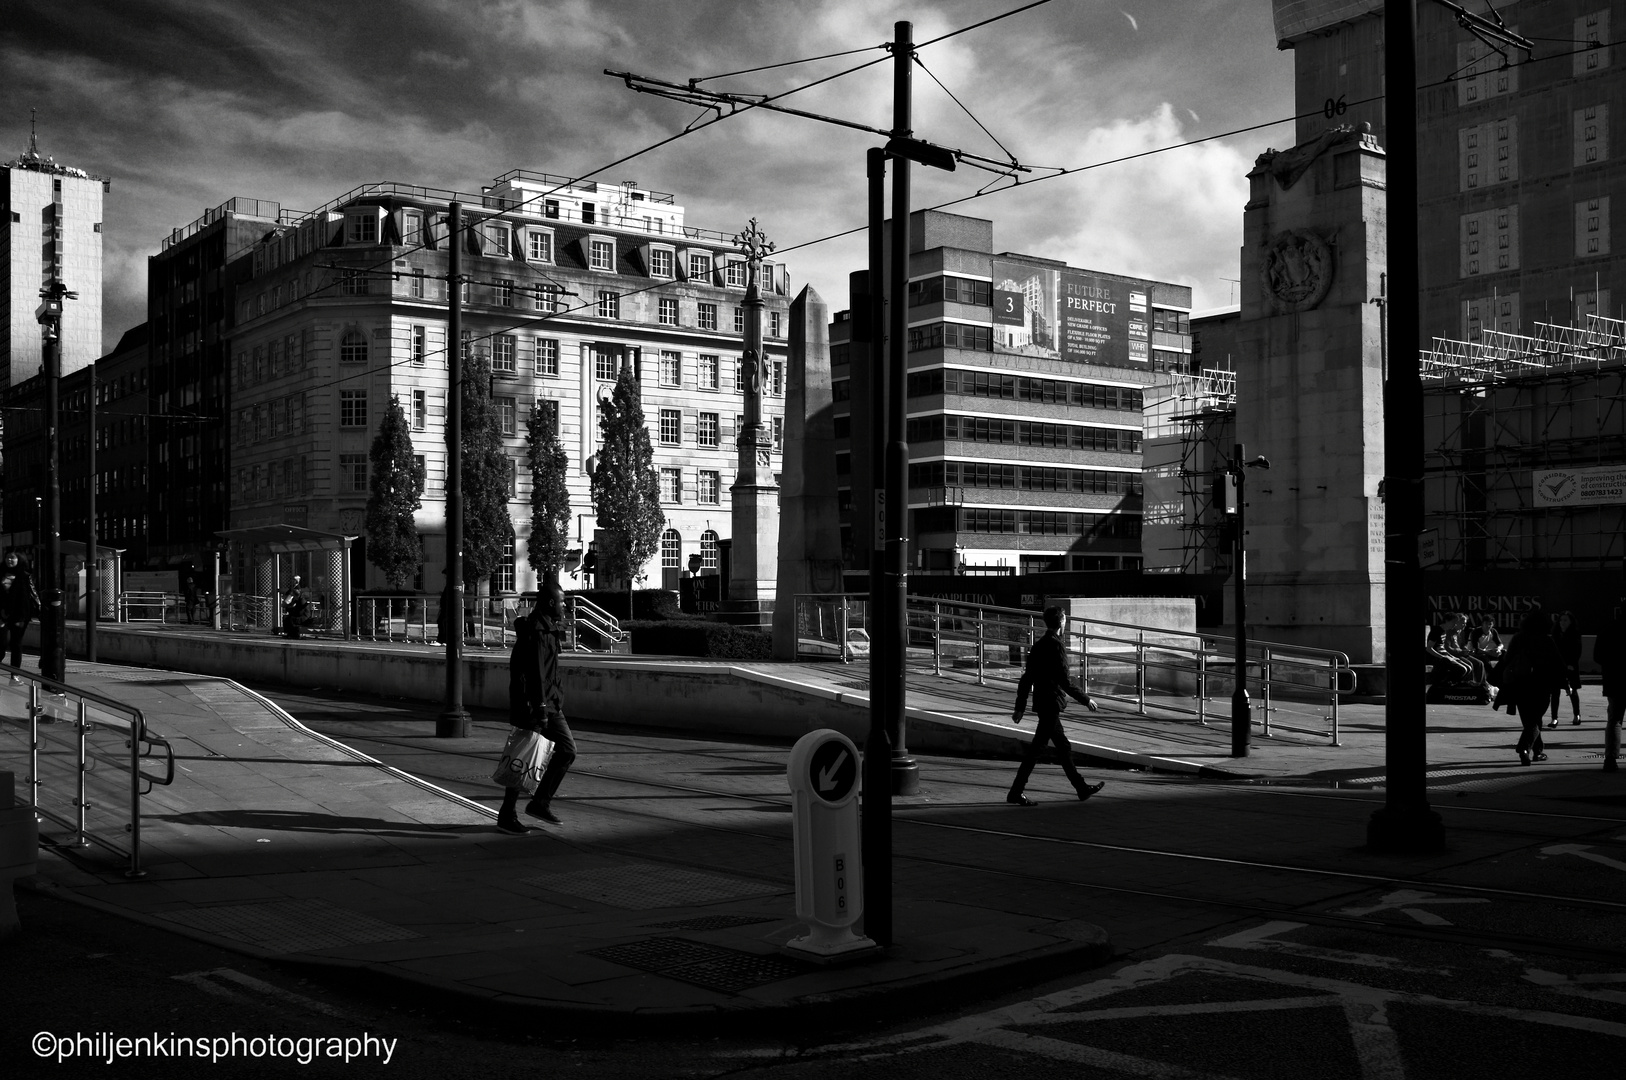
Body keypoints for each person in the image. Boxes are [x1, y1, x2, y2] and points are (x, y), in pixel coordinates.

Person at [1007, 606, 1105, 806]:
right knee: (1038, 749)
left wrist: (1020, 706)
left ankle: (1081, 788)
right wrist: (1086, 699)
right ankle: (1016, 792)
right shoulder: (1057, 646)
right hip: (1051, 703)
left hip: (1043, 703)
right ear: (1061, 622)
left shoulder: (1039, 645)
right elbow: (1065, 682)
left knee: (1062, 747)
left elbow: (1027, 679)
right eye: (1065, 619)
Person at [498, 583, 576, 830]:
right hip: (538, 705)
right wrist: (541, 708)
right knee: (525, 757)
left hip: (547, 702)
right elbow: (536, 674)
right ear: (551, 603)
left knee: (561, 751)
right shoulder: (539, 632)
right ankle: (509, 814)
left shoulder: (545, 628)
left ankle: (538, 803)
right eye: (562, 601)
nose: (565, 606)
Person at [1501, 609, 1568, 766]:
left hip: (1520, 686)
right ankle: (1524, 748)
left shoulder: (1518, 638)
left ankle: (1537, 751)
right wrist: (1564, 683)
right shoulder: (1546, 640)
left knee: (1529, 720)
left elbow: (1507, 660)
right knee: (1535, 721)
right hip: (1541, 686)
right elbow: (1559, 664)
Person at [1593, 603, 1625, 773]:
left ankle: (1611, 758)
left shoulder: (1609, 629)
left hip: (1615, 681)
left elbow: (1597, 656)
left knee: (1614, 720)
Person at [0, 551, 41, 680]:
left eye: (12, 558)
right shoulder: (0, 573)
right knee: (1, 643)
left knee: (16, 644)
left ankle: (15, 674)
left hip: (20, 615)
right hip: (2, 614)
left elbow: (31, 595)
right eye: (7, 557)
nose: (9, 560)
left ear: (19, 559)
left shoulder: (25, 576)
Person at [1549, 610, 1583, 728]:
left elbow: (1577, 651)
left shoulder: (1575, 634)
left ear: (1570, 622)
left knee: (1573, 691)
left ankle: (1576, 715)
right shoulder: (1555, 634)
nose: (1562, 623)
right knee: (1555, 692)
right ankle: (1554, 718)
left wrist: (1570, 664)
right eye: (1561, 620)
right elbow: (1552, 652)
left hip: (1570, 666)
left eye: (1565, 620)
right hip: (1557, 667)